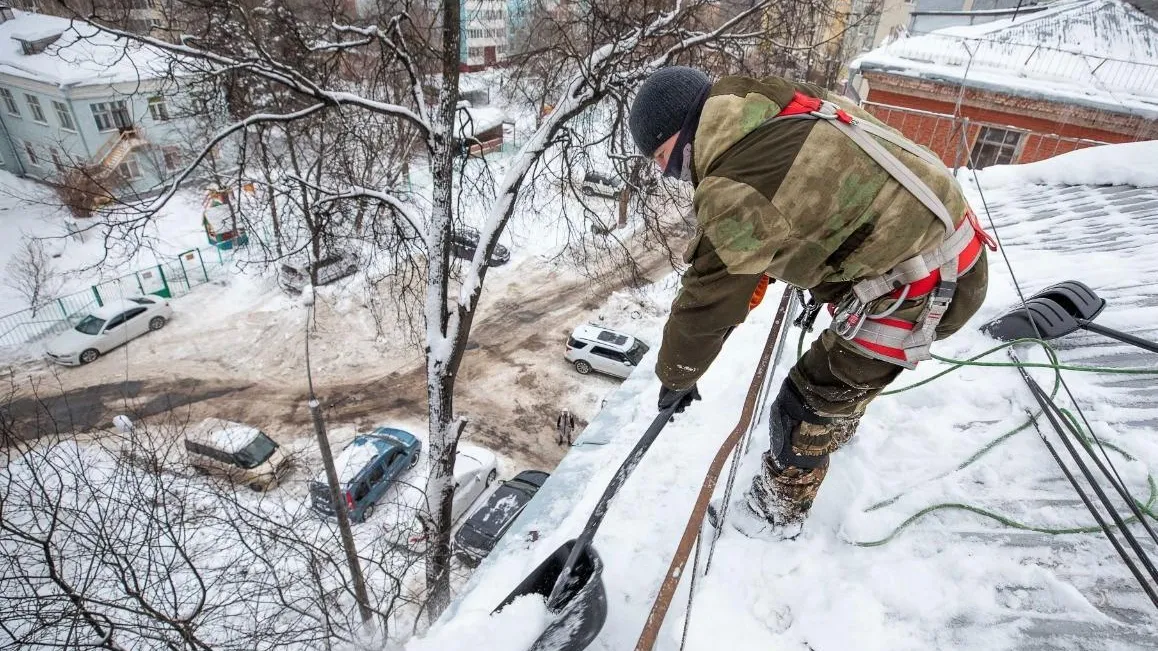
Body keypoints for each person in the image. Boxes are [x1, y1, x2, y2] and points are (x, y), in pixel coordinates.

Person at [629, 67, 992, 539]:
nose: (665, 172)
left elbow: (707, 303)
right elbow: (801, 200)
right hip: (949, 242)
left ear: (683, 133)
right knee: (838, 381)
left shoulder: (734, 187)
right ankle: (835, 425)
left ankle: (773, 516)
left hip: (927, 285)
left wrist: (675, 377)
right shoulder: (767, 101)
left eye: (661, 156)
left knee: (805, 403)